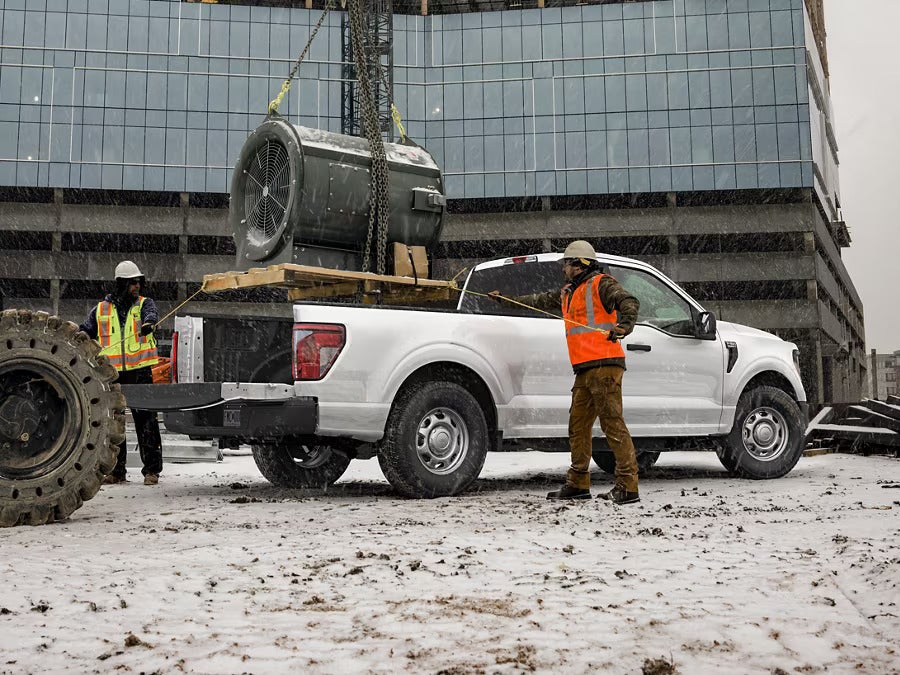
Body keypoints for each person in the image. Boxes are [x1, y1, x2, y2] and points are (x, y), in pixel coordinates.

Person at [491, 240, 641, 503]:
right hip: (584, 369)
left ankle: (628, 487)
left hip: (605, 365)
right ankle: (578, 484)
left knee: (612, 425)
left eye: (567, 263)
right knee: (578, 426)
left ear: (581, 264)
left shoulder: (601, 283)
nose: (563, 268)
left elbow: (629, 301)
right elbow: (536, 301)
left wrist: (624, 326)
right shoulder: (568, 292)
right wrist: (505, 299)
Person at [79, 260, 163, 486]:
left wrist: (149, 324)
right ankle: (116, 471)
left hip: (141, 371)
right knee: (114, 424)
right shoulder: (100, 310)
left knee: (146, 422)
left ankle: (151, 471)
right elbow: (84, 332)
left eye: (138, 282)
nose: (137, 286)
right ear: (121, 284)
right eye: (133, 283)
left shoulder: (145, 304)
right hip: (113, 374)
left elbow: (151, 315)